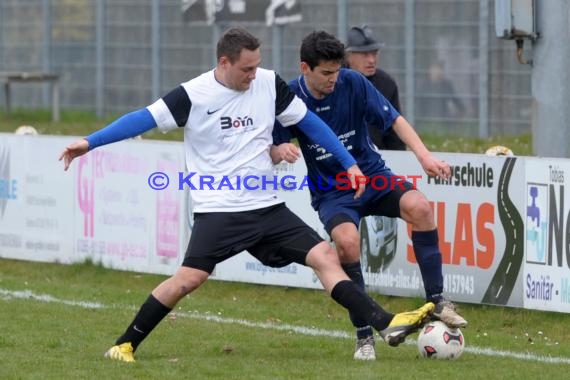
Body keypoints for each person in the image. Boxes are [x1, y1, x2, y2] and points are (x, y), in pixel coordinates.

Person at [59, 27, 435, 363]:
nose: (254, 75)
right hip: (220, 210)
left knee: (325, 256)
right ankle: (124, 344)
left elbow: (311, 124)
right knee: (188, 279)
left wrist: (348, 163)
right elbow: (141, 118)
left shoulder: (270, 84)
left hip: (267, 207)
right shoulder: (193, 95)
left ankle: (384, 323)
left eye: (257, 67)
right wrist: (90, 143)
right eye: (246, 69)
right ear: (224, 62)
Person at [271, 30, 467, 361]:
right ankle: (364, 335)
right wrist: (281, 150)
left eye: (337, 71)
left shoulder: (353, 82)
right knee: (346, 243)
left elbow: (394, 120)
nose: (334, 79)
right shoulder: (290, 97)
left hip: (373, 177)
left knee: (420, 206)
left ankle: (438, 302)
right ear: (305, 68)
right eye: (326, 73)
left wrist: (424, 156)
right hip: (333, 191)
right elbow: (273, 146)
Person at [344, 24, 405, 151]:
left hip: (377, 160)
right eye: (365, 54)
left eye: (375, 53)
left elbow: (394, 133)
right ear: (348, 55)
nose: (371, 60)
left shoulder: (387, 84)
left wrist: (399, 162)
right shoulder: (333, 81)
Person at [417, 60, 466, 130]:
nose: (437, 72)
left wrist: (461, 110)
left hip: (444, 121)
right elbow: (418, 105)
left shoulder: (446, 84)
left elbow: (456, 100)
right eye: (434, 69)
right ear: (429, 71)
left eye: (439, 69)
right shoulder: (424, 85)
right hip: (426, 120)